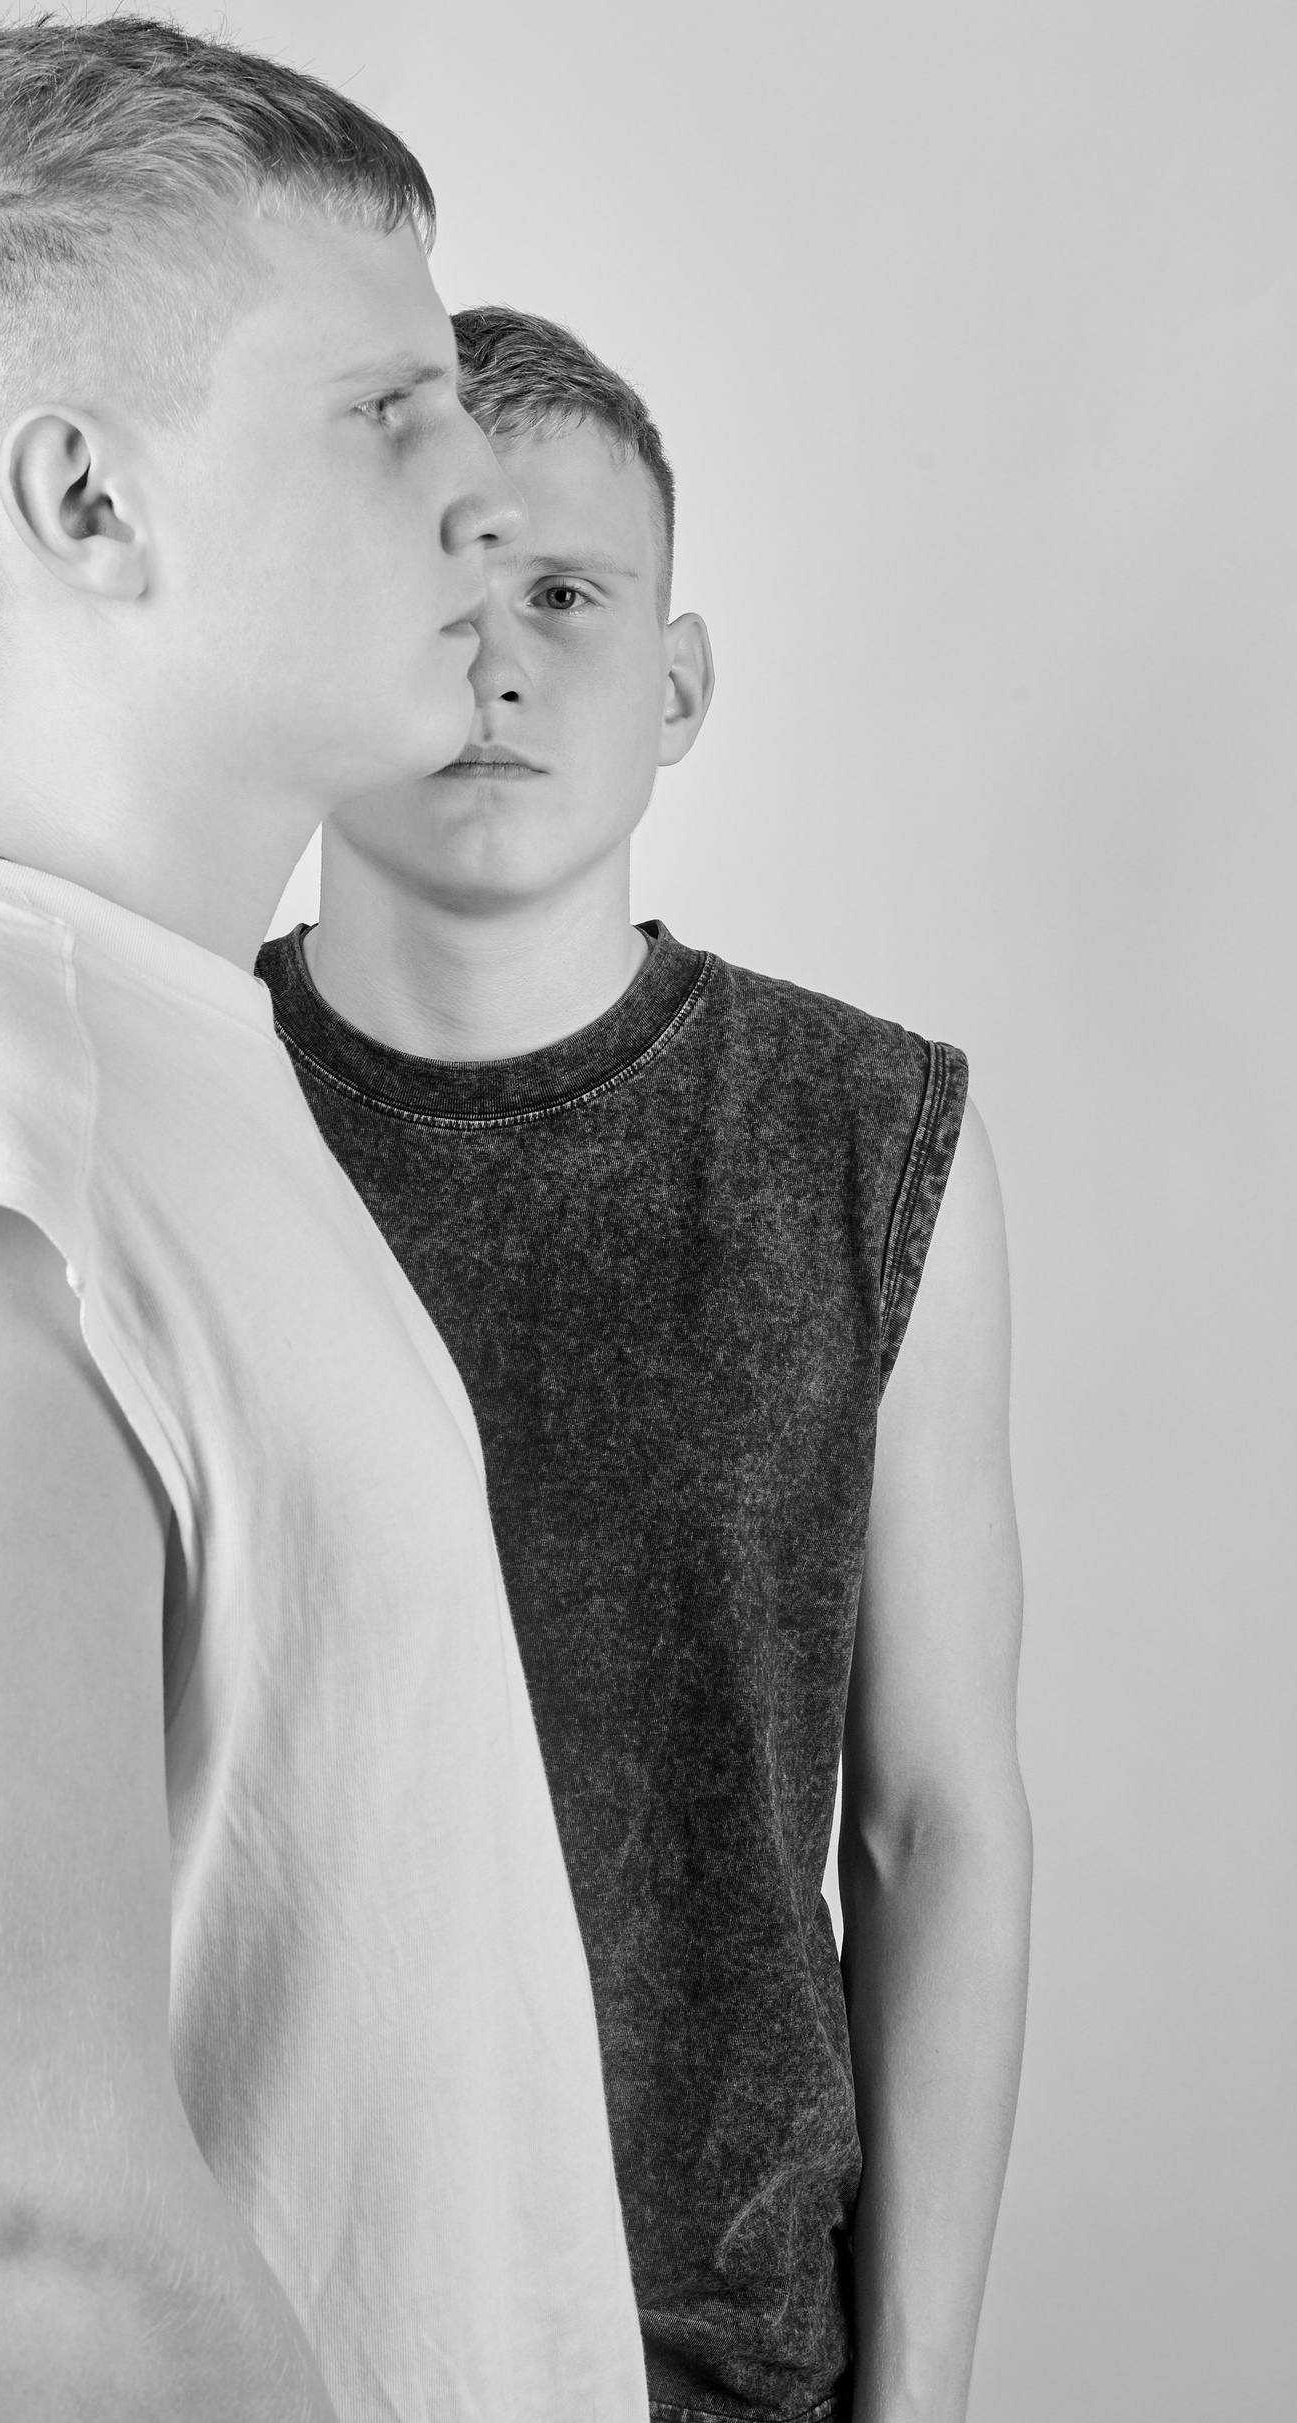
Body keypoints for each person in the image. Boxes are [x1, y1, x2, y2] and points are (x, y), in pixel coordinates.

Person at [0, 35, 650, 2423]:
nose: (478, 487)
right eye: (386, 413)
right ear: (88, 498)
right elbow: (41, 2223)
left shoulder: (157, 1061)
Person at [258, 306, 1034, 2423]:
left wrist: (918, 2399)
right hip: (252, 2344)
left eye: (566, 598)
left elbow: (935, 1823)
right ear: (313, 655)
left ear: (675, 686)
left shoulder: (870, 1139)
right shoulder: (158, 1115)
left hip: (717, 2354)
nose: (495, 663)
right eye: (437, 589)